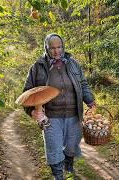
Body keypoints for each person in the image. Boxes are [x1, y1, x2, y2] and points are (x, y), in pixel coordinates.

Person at [22, 33, 96, 179]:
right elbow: (27, 93)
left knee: (71, 146)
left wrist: (90, 100)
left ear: (63, 46)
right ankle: (58, 175)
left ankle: (68, 166)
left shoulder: (73, 64)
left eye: (59, 47)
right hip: (51, 117)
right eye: (52, 48)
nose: (57, 51)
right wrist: (31, 111)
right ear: (46, 48)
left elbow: (82, 84)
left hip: (74, 114)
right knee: (54, 148)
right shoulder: (38, 67)